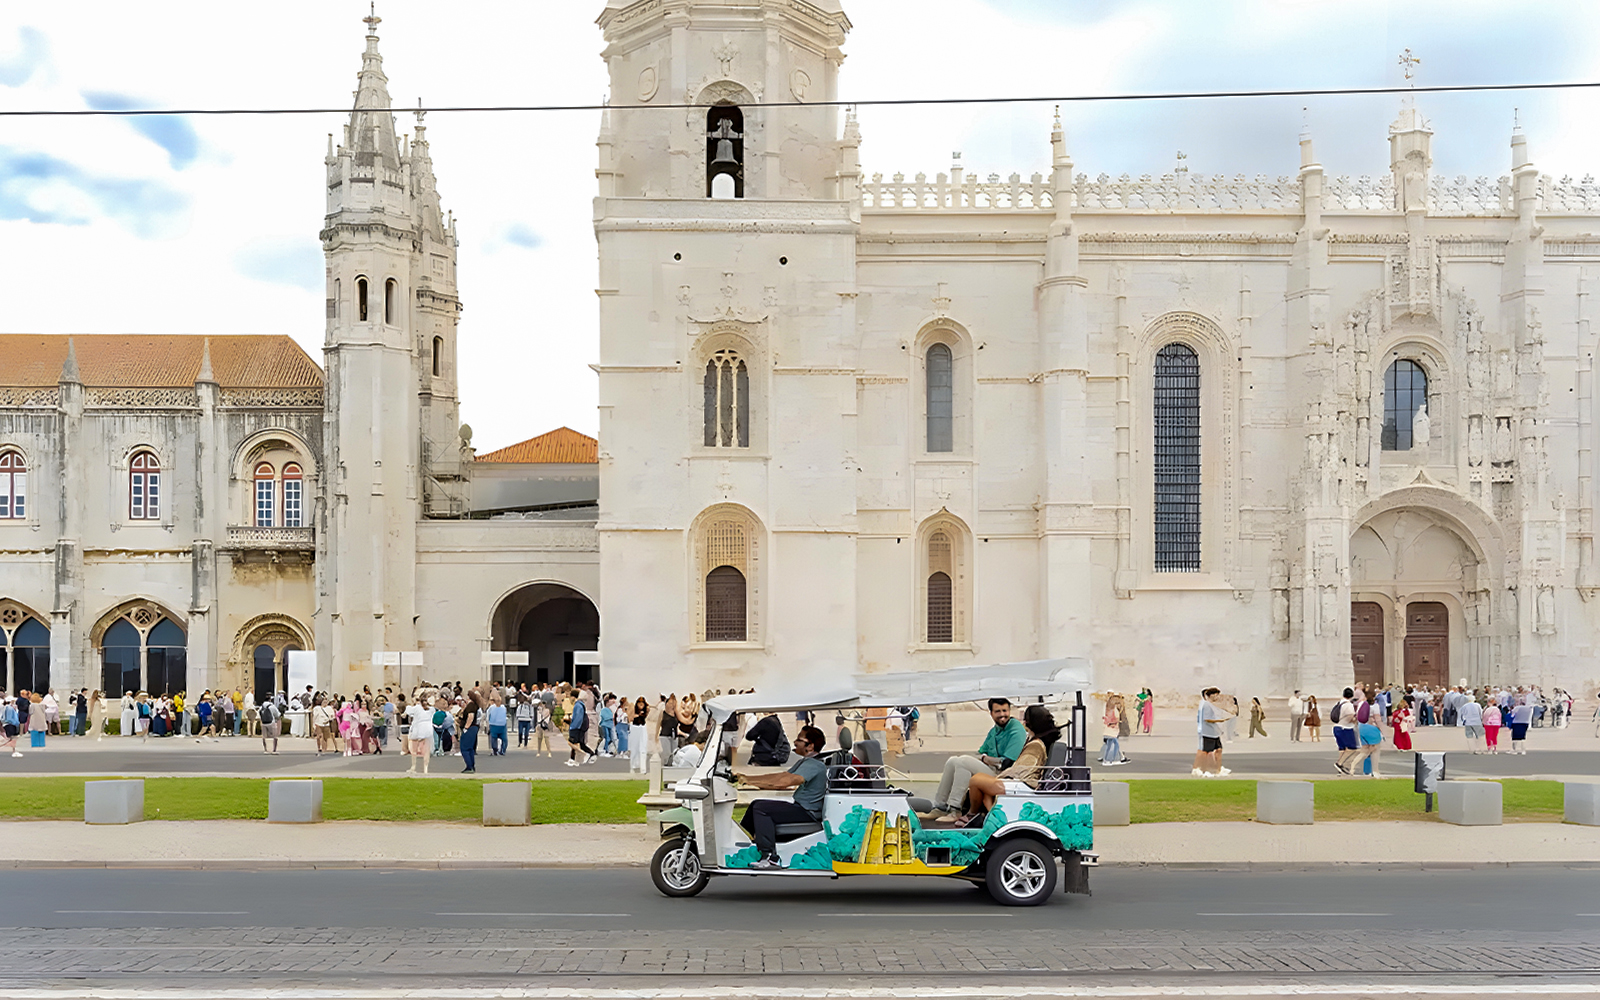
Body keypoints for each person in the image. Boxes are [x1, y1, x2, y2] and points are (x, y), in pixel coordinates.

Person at [734, 725, 829, 870]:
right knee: (755, 804)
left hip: (807, 812)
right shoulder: (805, 761)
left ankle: (769, 856)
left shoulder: (814, 764)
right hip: (801, 808)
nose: (795, 742)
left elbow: (785, 782)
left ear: (810, 746)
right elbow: (781, 776)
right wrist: (748, 778)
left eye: (799, 739)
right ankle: (753, 843)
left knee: (761, 808)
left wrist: (750, 781)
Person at [923, 698, 1026, 819]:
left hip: (1004, 776)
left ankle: (955, 809)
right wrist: (984, 759)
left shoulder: (1016, 729)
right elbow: (981, 753)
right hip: (992, 768)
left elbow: (1006, 763)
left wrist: (985, 759)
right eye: (998, 711)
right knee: (953, 761)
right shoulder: (994, 731)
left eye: (1005, 711)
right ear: (991, 713)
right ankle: (940, 807)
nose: (1002, 714)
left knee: (964, 762)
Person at [962, 705, 1063, 820]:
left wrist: (1001, 776)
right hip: (1022, 782)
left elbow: (1022, 770)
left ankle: (971, 814)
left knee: (976, 780)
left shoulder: (1035, 745)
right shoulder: (1036, 741)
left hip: (1024, 784)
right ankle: (993, 817)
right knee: (985, 789)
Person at [1191, 687, 1234, 777]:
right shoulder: (1206, 705)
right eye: (1216, 695)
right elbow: (1207, 719)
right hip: (1208, 732)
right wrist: (1220, 720)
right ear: (1211, 695)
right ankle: (1202, 770)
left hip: (1214, 732)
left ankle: (1218, 769)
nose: (1217, 697)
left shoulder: (1209, 705)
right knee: (1206, 752)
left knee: (1218, 750)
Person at [1331, 687, 1360, 775]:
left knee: (1342, 749)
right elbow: (1350, 716)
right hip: (1346, 728)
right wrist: (1355, 720)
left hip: (1337, 727)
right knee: (1352, 748)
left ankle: (1340, 768)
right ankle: (1339, 764)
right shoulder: (1348, 705)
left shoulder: (1339, 703)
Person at [406, 698, 432, 774]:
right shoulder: (431, 710)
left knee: (413, 750)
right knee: (426, 751)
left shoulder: (417, 708)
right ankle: (425, 768)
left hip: (417, 730)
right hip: (428, 731)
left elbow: (408, 711)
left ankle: (414, 767)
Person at [459, 692, 481, 773]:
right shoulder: (474, 705)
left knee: (465, 748)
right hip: (474, 728)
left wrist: (466, 727)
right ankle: (471, 765)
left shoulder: (471, 705)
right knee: (470, 748)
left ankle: (469, 766)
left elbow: (470, 716)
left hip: (470, 728)